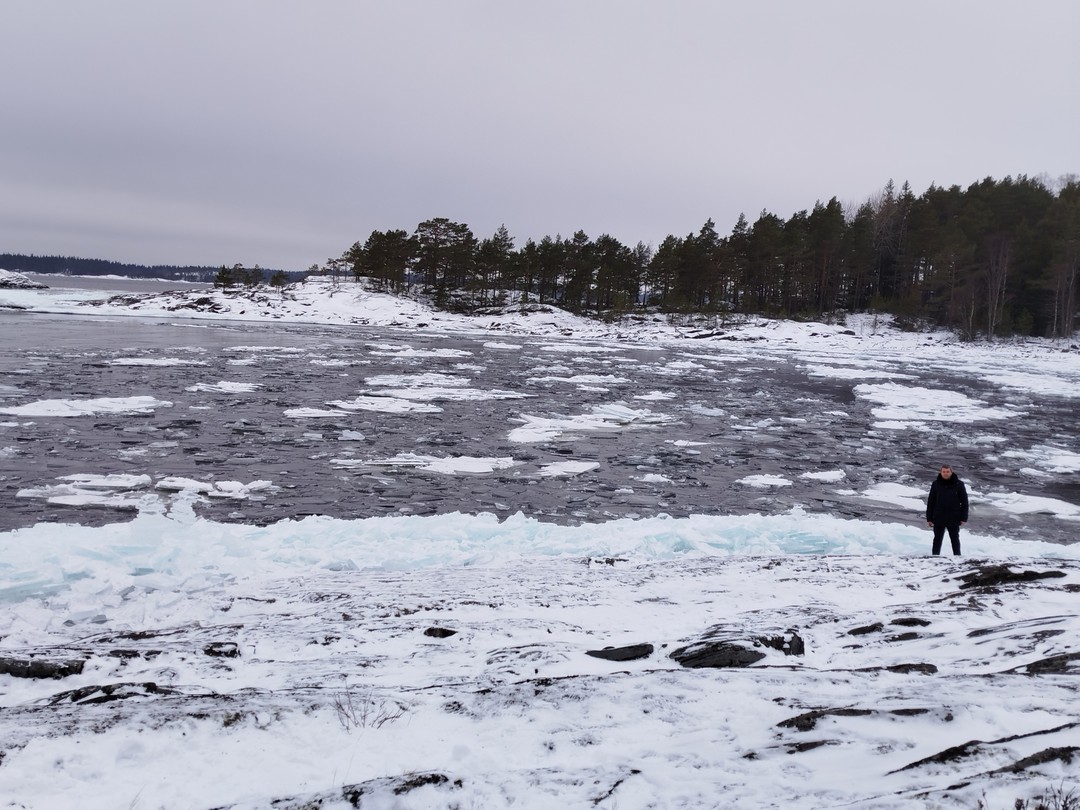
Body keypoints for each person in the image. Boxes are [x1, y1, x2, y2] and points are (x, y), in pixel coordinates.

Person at [926, 464, 969, 555]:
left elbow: (965, 502)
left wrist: (963, 518)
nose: (945, 474)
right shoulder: (936, 484)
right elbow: (931, 502)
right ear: (940, 472)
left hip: (954, 517)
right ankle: (935, 557)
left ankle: (957, 558)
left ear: (951, 472)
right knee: (937, 539)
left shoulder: (959, 484)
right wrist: (929, 518)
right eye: (944, 472)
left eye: (947, 472)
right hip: (938, 517)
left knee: (955, 539)